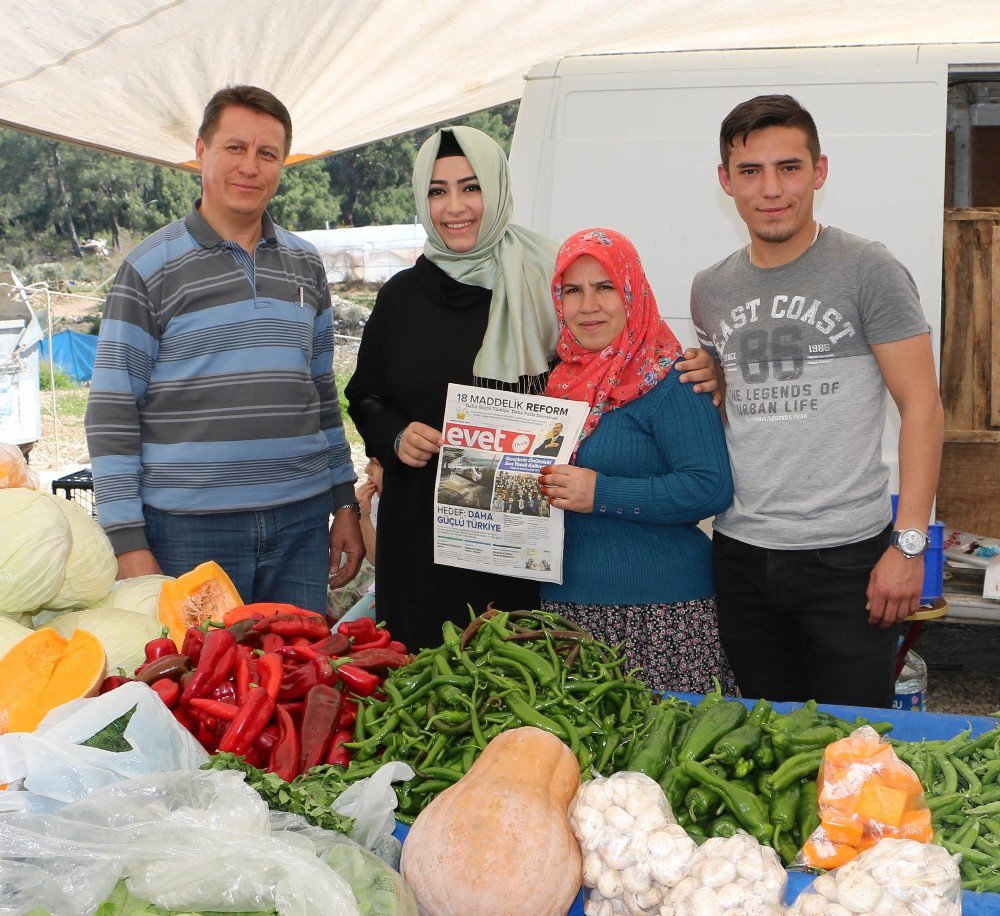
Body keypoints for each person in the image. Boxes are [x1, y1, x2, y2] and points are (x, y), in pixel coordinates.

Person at [689, 94, 944, 707]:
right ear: (726, 181)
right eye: (750, 171)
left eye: (789, 167)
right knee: (769, 744)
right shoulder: (710, 289)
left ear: (819, 172)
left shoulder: (868, 269)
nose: (771, 189)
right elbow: (732, 405)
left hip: (848, 561)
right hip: (742, 554)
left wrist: (908, 544)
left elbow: (925, 407)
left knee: (854, 746)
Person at [85, 85, 363, 614]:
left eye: (267, 154)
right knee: (195, 685)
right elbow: (112, 412)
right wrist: (128, 544)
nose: (250, 167)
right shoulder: (149, 268)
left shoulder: (306, 264)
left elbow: (323, 394)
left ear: (282, 164)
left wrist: (343, 503)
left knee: (295, 680)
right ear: (201, 152)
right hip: (188, 532)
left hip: (301, 523)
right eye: (235, 148)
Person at [539, 228, 736, 694]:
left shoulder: (673, 378)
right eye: (573, 290)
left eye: (605, 286)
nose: (588, 305)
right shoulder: (559, 384)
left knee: (664, 760)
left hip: (661, 616)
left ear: (633, 291)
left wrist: (600, 493)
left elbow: (710, 487)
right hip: (565, 611)